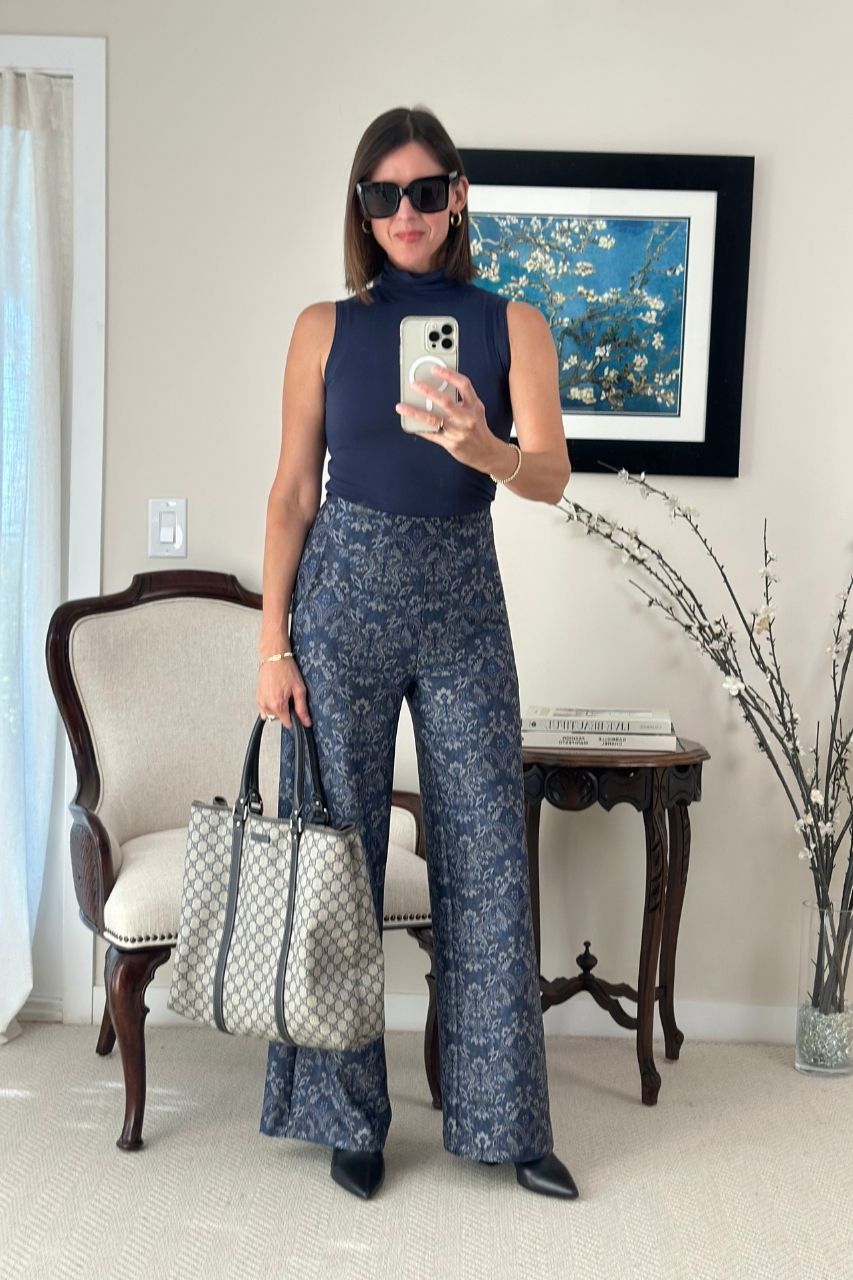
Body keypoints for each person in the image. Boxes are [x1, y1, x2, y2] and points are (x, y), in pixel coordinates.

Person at [255, 105, 576, 1201]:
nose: (406, 212)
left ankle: (506, 1122)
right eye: (383, 194)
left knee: (485, 856)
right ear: (363, 207)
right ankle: (348, 1114)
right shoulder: (322, 326)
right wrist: (270, 646)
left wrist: (479, 443)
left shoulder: (510, 321)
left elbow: (548, 475)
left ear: (458, 194)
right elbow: (295, 491)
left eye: (424, 190)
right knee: (335, 857)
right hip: (339, 596)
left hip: (461, 596)